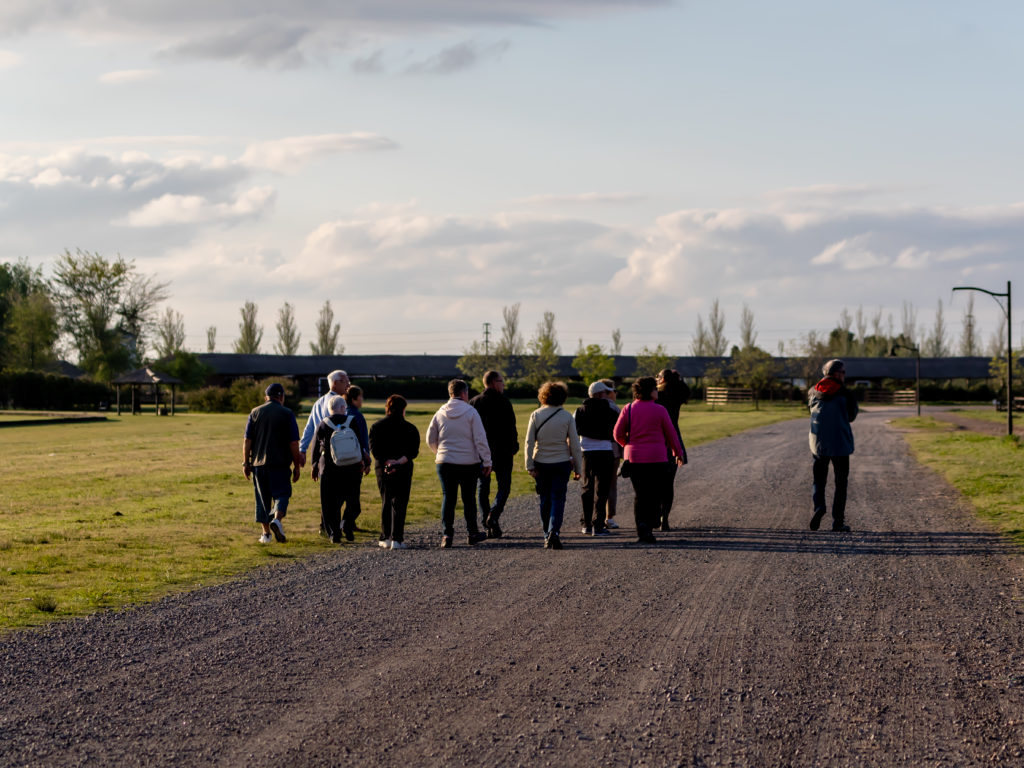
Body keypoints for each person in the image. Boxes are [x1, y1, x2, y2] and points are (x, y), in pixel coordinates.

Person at [613, 376, 685, 544]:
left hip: (635, 458)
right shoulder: (660, 410)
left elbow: (617, 434)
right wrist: (677, 452)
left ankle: (642, 528)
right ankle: (651, 523)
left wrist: (628, 444)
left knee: (640, 495)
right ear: (649, 391)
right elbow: (671, 434)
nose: (657, 391)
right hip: (657, 457)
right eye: (655, 388)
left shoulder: (628, 409)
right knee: (655, 494)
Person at [426, 379, 492, 548]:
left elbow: (430, 438)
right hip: (468, 462)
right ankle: (472, 532)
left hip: (445, 461)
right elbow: (480, 439)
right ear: (464, 393)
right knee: (468, 498)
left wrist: (439, 452)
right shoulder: (471, 412)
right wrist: (487, 461)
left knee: (448, 497)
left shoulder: (439, 413)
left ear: (450, 393)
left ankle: (447, 534)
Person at [525, 381, 583, 550]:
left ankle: (546, 533)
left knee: (545, 499)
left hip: (541, 462)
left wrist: (529, 464)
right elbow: (574, 444)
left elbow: (529, 442)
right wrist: (578, 468)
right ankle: (554, 532)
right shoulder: (566, 416)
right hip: (561, 462)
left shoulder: (536, 415)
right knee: (558, 499)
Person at [242, 382, 303, 544]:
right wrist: (297, 466)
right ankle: (277, 520)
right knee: (282, 494)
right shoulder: (287, 413)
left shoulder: (255, 412)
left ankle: (266, 534)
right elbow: (293, 443)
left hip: (258, 464)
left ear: (266, 397)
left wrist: (245, 463)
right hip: (280, 464)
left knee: (262, 499)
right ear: (281, 397)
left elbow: (247, 440)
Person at [808, 358, 858, 533]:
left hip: (819, 444)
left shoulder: (813, 391)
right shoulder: (846, 393)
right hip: (840, 444)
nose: (844, 375)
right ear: (836, 374)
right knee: (840, 483)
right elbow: (851, 416)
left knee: (819, 480)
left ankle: (819, 507)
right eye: (843, 372)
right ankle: (838, 522)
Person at [469, 370, 519, 538]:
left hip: (482, 453)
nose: (503, 384)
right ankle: (494, 516)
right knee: (504, 487)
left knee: (483, 488)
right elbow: (511, 428)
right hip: (503, 452)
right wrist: (513, 448)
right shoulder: (504, 402)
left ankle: (487, 521)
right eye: (501, 381)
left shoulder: (474, 402)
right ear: (492, 382)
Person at [369, 394, 420, 550]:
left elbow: (375, 450)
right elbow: (413, 451)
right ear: (403, 409)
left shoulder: (376, 427)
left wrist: (388, 462)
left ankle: (385, 536)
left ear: (388, 408)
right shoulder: (411, 428)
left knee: (386, 500)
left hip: (383, 467)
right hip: (403, 467)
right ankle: (397, 538)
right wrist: (399, 461)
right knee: (400, 502)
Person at [310, 395, 364, 544]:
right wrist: (363, 462)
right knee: (353, 499)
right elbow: (359, 443)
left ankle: (334, 534)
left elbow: (315, 447)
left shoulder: (323, 423)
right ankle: (346, 523)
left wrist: (314, 466)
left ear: (329, 409)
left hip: (328, 468)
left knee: (329, 503)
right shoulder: (352, 421)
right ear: (342, 408)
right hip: (351, 467)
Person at [574, 380, 620, 536]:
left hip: (586, 451)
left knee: (587, 487)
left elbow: (576, 431)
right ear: (601, 394)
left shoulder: (579, 410)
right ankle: (598, 525)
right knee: (602, 490)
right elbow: (616, 431)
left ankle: (586, 524)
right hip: (605, 450)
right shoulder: (611, 410)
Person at [655, 368, 689, 531]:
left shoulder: (657, 396)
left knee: (654, 481)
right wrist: (678, 378)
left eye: (658, 376)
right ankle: (664, 519)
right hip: (674, 437)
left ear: (662, 379)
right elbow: (685, 388)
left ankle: (654, 515)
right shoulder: (679, 393)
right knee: (668, 483)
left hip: (657, 438)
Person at [339, 385, 373, 538]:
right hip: (355, 461)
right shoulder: (357, 416)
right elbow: (362, 441)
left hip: (341, 461)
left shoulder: (342, 413)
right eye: (360, 397)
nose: (362, 400)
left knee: (342, 495)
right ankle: (346, 523)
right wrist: (366, 461)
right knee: (354, 498)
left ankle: (346, 523)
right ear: (354, 398)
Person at [299, 369, 350, 458]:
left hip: (319, 451)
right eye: (345, 381)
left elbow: (309, 428)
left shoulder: (318, 402)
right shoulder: (339, 403)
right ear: (335, 383)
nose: (348, 385)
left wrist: (302, 449)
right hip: (336, 452)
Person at [600, 378, 623, 530]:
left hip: (589, 451)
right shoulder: (614, 409)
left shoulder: (584, 407)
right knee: (610, 485)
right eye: (614, 391)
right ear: (607, 393)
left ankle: (594, 517)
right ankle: (609, 517)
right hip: (611, 450)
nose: (616, 393)